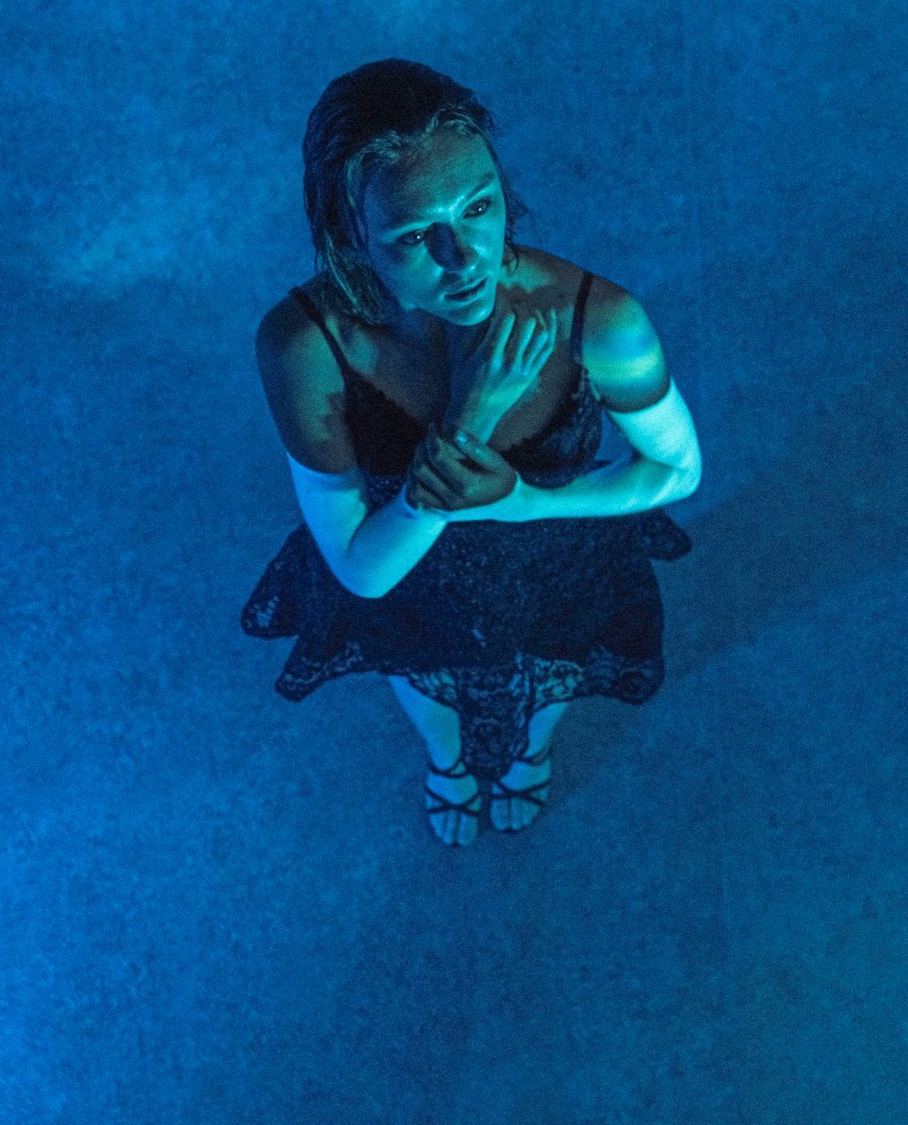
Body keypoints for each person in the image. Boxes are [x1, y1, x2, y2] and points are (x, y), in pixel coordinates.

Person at [241, 59, 699, 847]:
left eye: (480, 206)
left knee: (555, 662)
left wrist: (529, 502)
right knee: (422, 676)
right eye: (417, 235)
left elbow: (680, 470)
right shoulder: (304, 344)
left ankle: (531, 753)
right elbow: (364, 569)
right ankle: (448, 764)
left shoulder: (603, 320)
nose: (466, 257)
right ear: (351, 234)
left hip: (556, 554)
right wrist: (472, 411)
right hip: (407, 569)